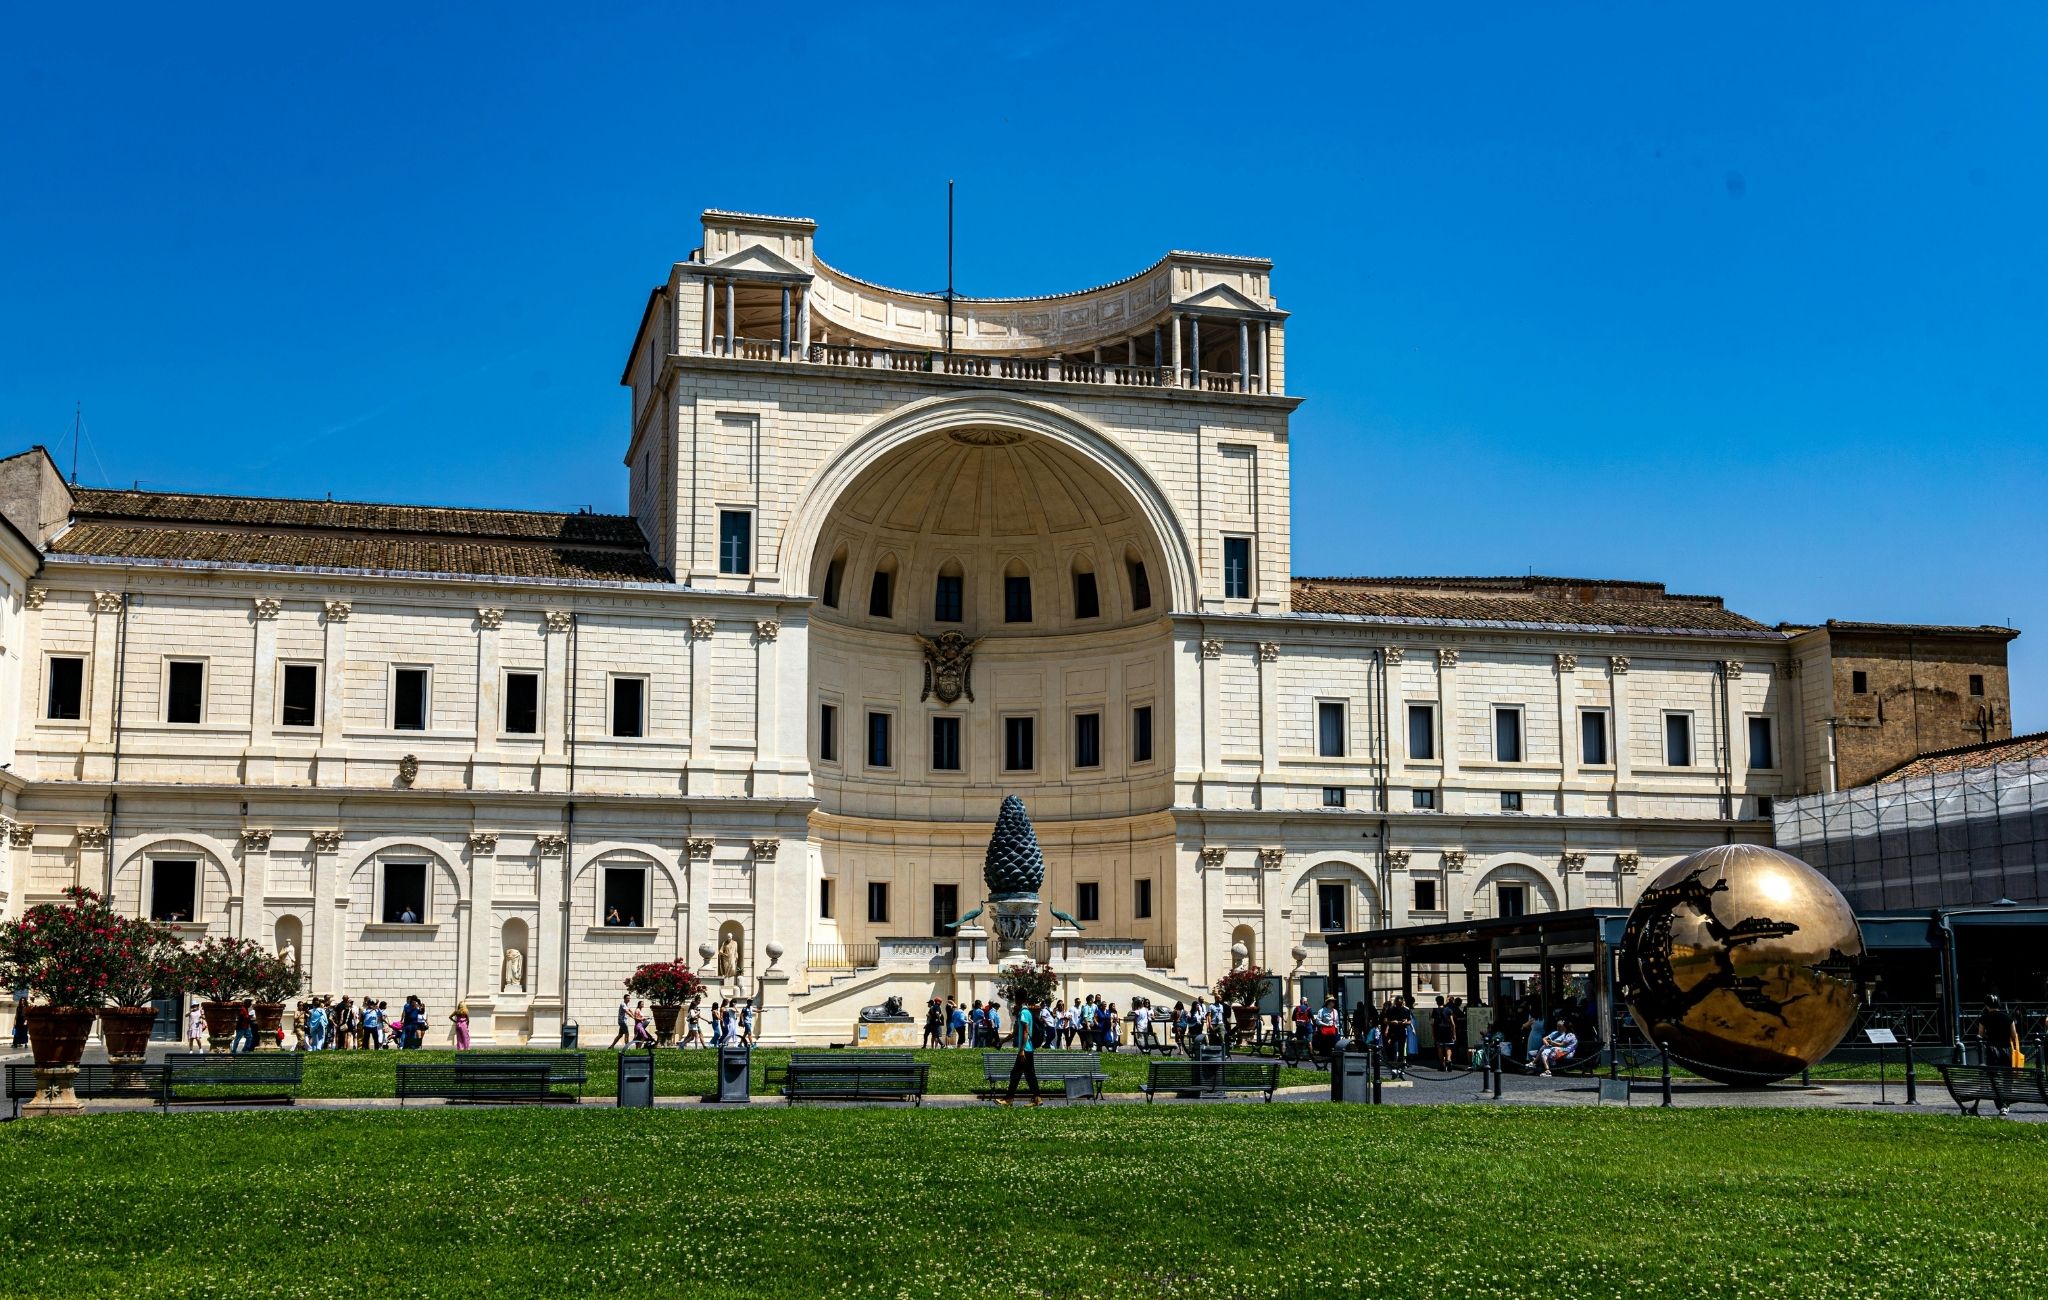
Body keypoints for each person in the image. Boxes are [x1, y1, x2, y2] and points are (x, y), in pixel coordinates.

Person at [995, 995, 1042, 1107]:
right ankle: (1037, 1099)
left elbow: (1026, 1031)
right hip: (1028, 1049)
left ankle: (1009, 1098)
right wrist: (1001, 1042)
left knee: (1015, 1074)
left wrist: (1021, 1050)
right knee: (1030, 1075)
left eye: (1016, 1000)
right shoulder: (1023, 1013)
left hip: (1025, 1049)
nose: (1015, 1003)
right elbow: (1015, 1033)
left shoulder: (1024, 1013)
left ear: (1019, 1000)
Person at [1431, 996, 1456, 1069]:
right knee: (1448, 1046)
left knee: (1440, 1047)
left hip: (1438, 1030)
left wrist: (1433, 1033)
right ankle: (1448, 1060)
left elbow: (1432, 1023)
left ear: (1437, 1002)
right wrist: (1454, 1033)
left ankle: (1442, 1064)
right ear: (1443, 1001)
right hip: (1447, 1029)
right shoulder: (1449, 1010)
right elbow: (1453, 1023)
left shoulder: (1435, 1011)